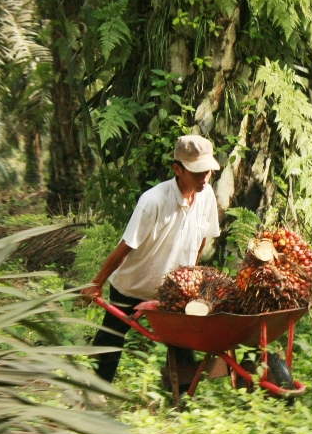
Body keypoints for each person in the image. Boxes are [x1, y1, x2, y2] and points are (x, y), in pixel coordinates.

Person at [81, 135, 221, 382]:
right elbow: (125, 247)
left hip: (173, 289)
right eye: (198, 172)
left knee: (181, 342)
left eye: (208, 172)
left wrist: (192, 275)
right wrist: (97, 282)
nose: (204, 178)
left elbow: (201, 239)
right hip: (134, 283)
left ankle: (181, 398)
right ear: (177, 169)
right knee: (111, 338)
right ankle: (97, 389)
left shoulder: (206, 195)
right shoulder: (153, 201)